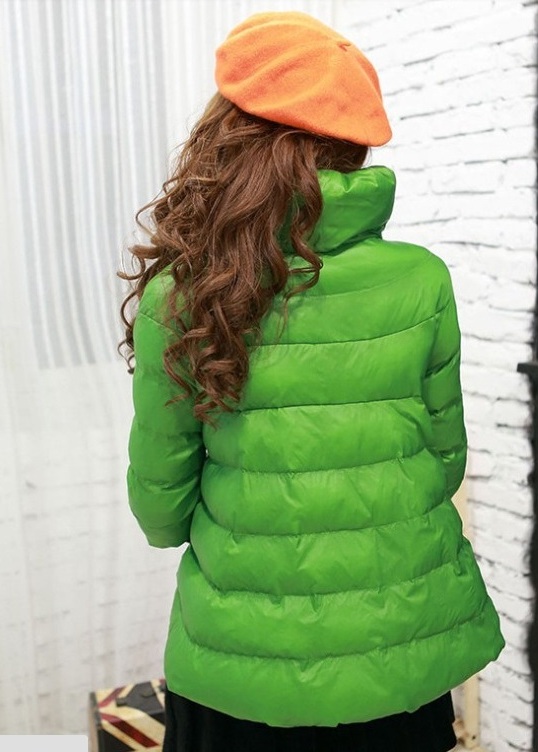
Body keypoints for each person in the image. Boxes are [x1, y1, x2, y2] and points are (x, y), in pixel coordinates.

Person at [118, 11, 505, 752]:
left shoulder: (187, 294)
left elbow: (160, 513)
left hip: (239, 672)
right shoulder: (422, 280)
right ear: (353, 146)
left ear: (226, 136)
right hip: (400, 659)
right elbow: (443, 459)